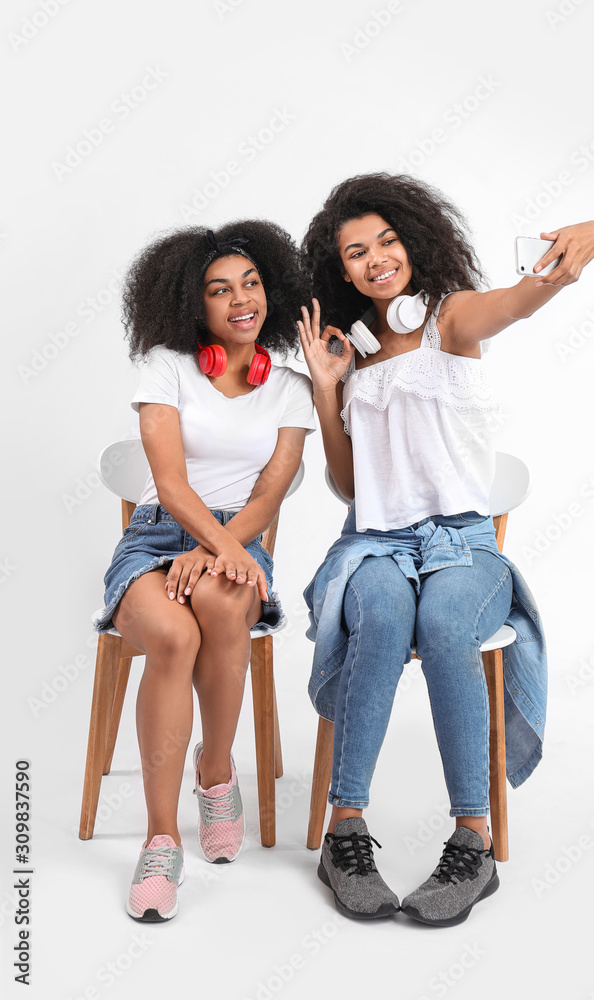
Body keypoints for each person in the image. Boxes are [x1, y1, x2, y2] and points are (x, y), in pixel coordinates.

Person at [297, 172, 594, 925]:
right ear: (342, 270)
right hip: (375, 543)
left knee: (441, 626)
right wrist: (326, 389)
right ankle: (345, 834)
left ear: (413, 242)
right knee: (378, 617)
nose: (376, 259)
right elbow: (346, 484)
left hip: (462, 543)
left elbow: (523, 299)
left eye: (388, 241)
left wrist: (586, 238)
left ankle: (471, 841)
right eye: (357, 252)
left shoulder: (451, 319)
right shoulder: (356, 355)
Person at [93, 220, 315, 921]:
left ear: (269, 290)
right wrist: (200, 541)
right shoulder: (164, 365)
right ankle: (162, 840)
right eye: (220, 290)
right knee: (171, 636)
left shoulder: (287, 385)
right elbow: (169, 479)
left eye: (250, 284)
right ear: (196, 306)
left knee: (220, 607)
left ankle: (215, 774)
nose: (240, 299)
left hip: (236, 539)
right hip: (159, 533)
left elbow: (271, 492)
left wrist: (219, 548)